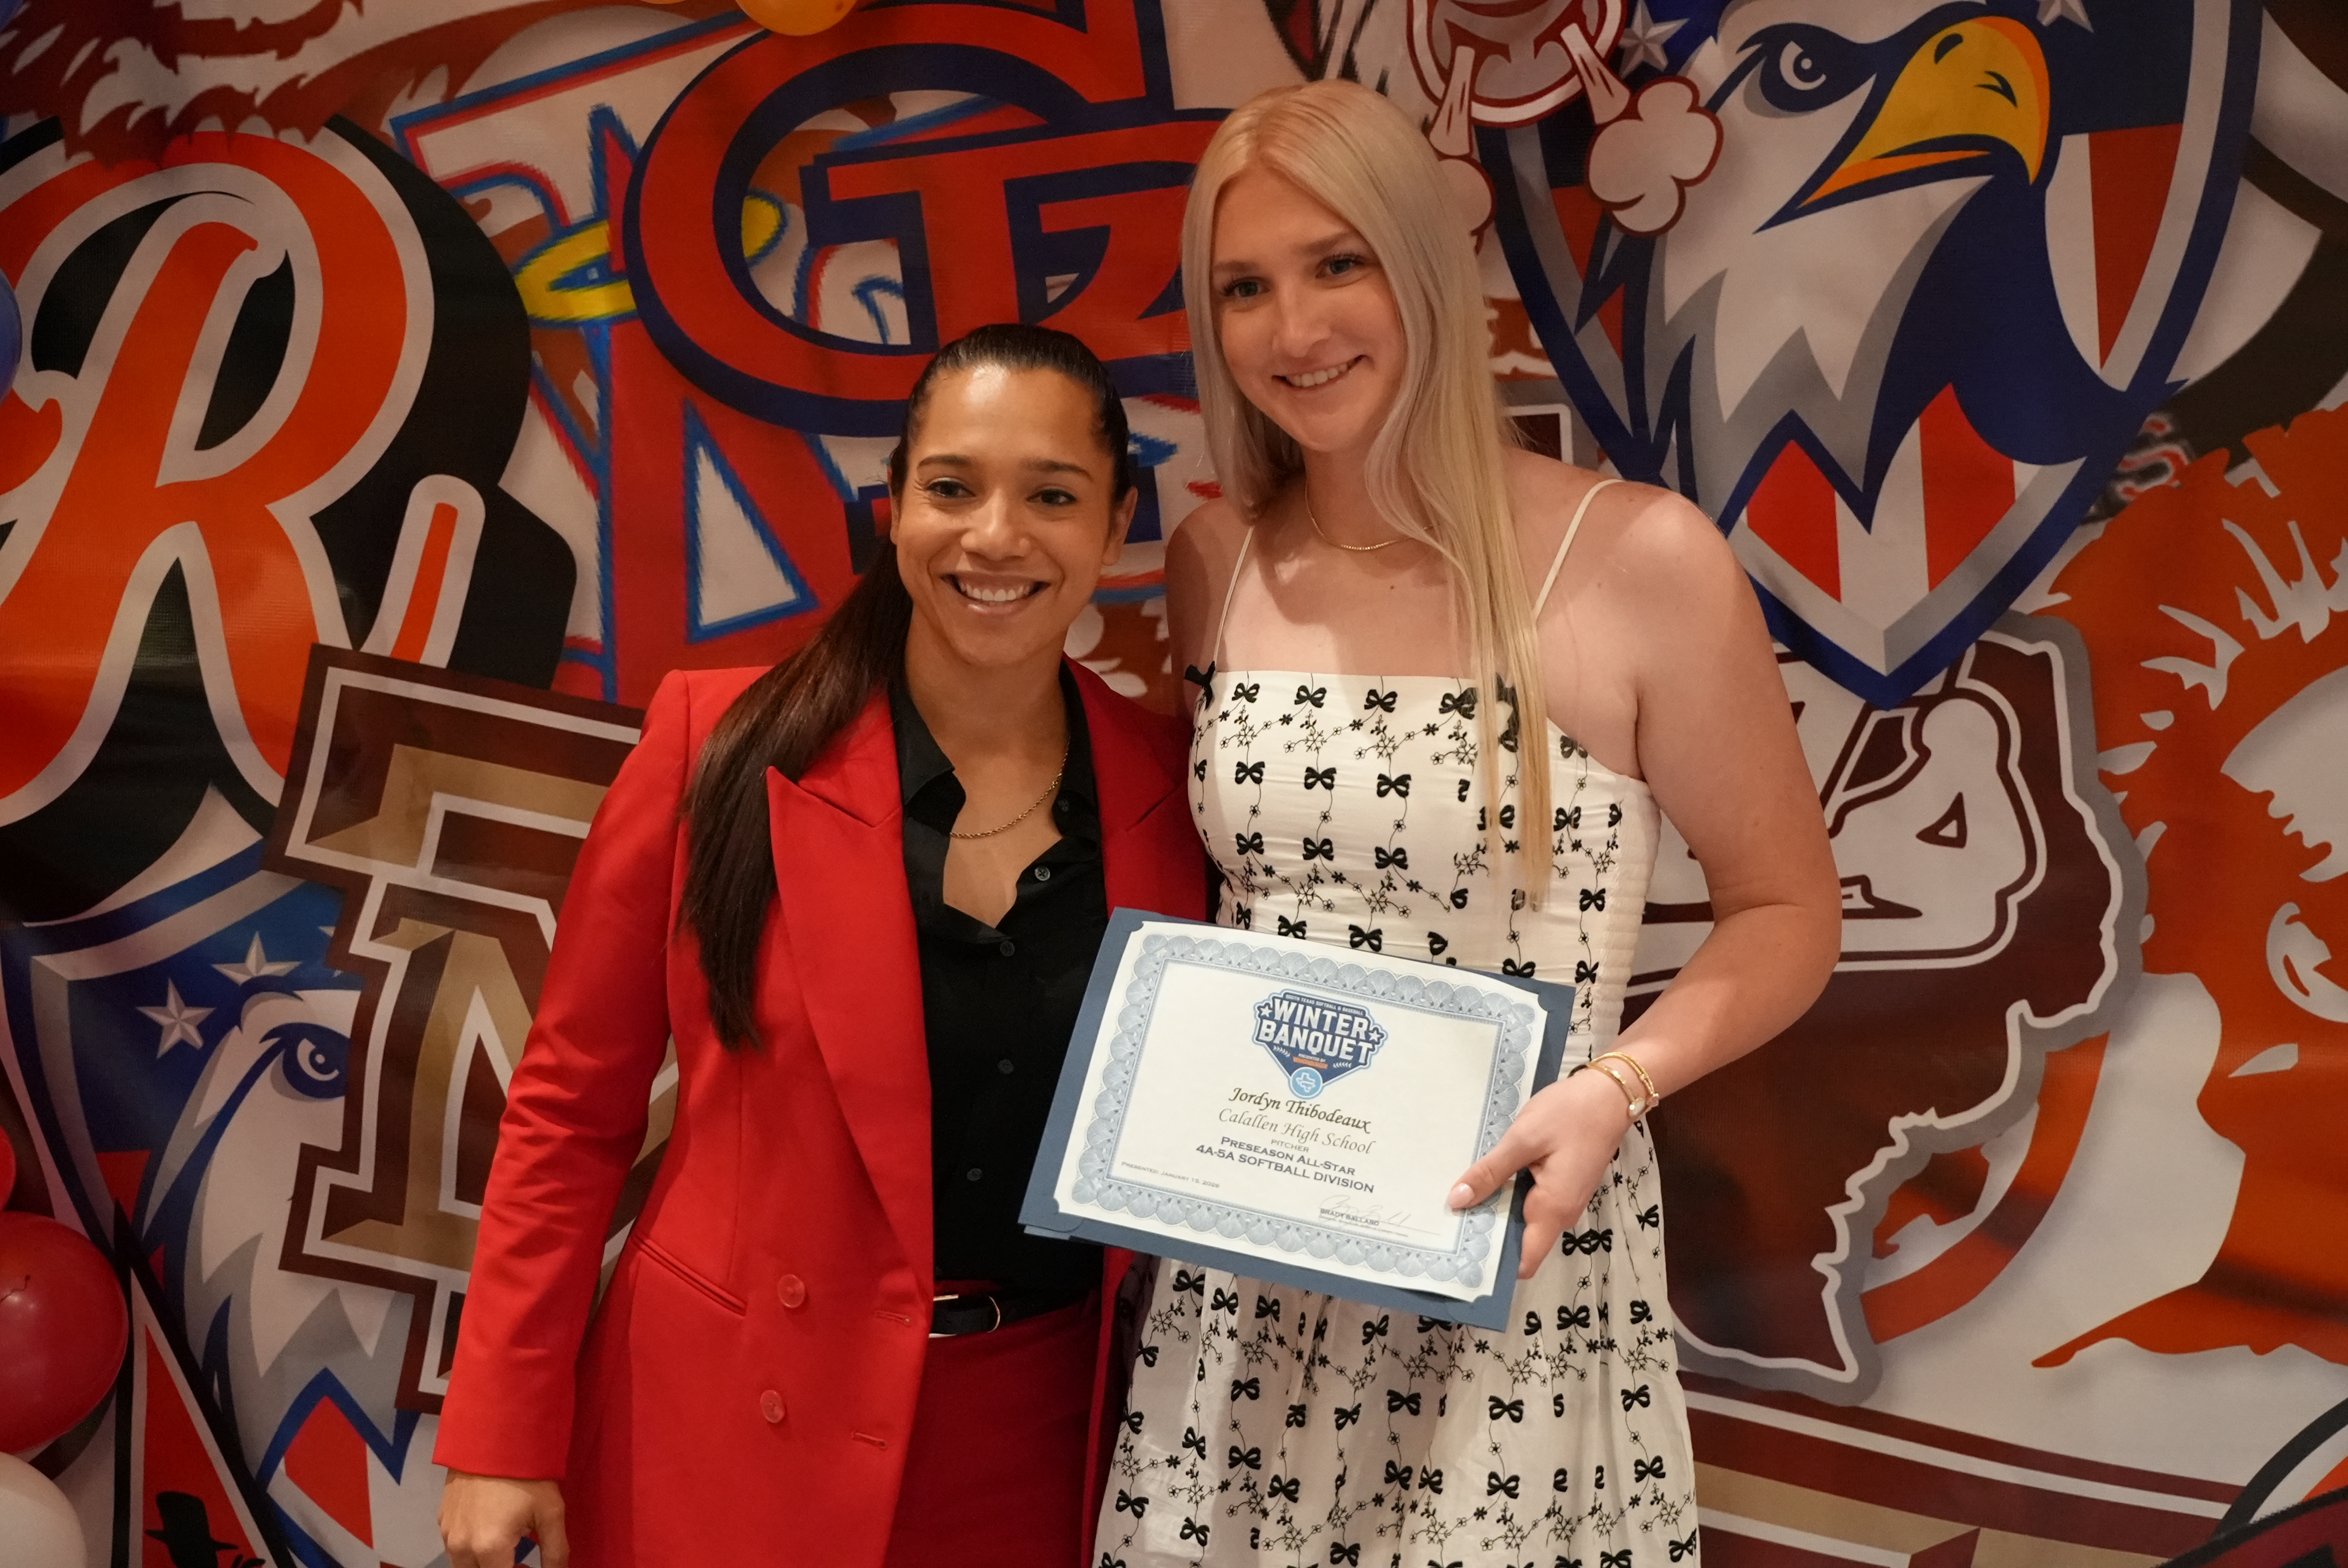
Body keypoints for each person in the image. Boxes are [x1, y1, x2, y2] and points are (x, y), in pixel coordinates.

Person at [1095, 82, 1841, 1567]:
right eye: (1244, 287)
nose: (1293, 328)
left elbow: (1787, 914)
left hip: (1513, 1257)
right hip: (1252, 1278)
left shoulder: (1637, 558)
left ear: (1424, 267)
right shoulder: (1216, 560)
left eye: (1337, 264)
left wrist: (1614, 1090)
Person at [434, 323, 1207, 1568]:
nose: (994, 537)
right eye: (951, 488)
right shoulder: (718, 744)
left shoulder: (1174, 791)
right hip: (731, 1421)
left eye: (1050, 496)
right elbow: (570, 1109)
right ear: (891, 506)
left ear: (1113, 524)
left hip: (1041, 1435)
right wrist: (502, 1432)